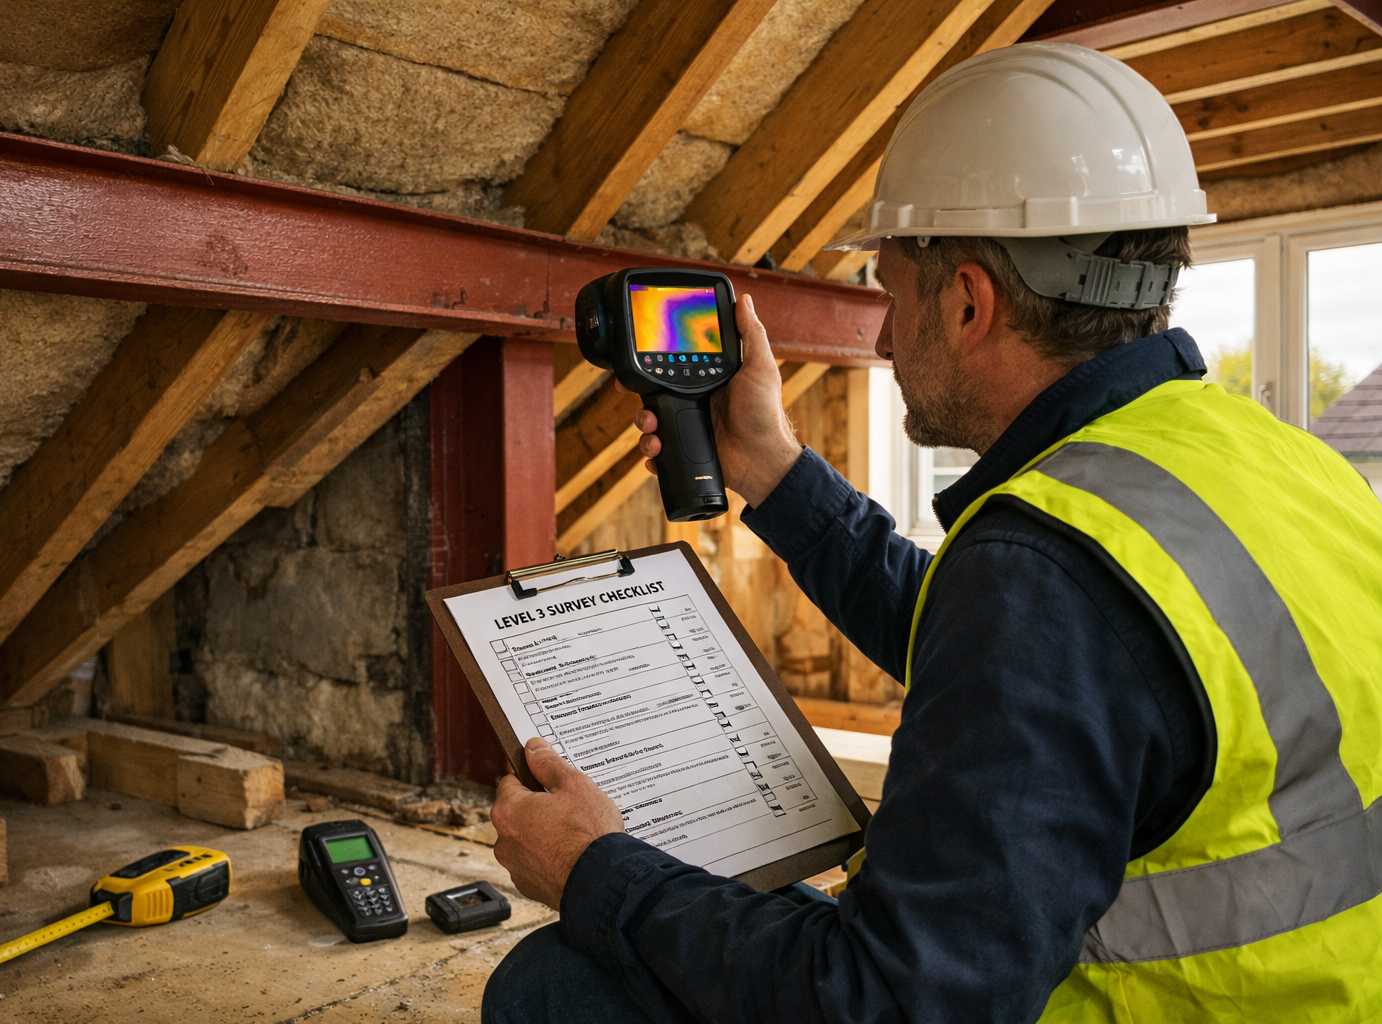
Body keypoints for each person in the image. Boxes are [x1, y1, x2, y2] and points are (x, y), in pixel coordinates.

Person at [482, 43, 1382, 1024]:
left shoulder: (1044, 577)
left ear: (966, 302)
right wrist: (774, 467)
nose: (878, 337)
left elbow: (893, 1003)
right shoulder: (1268, 459)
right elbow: (1018, 660)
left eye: (889, 291)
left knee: (558, 986)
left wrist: (594, 869)